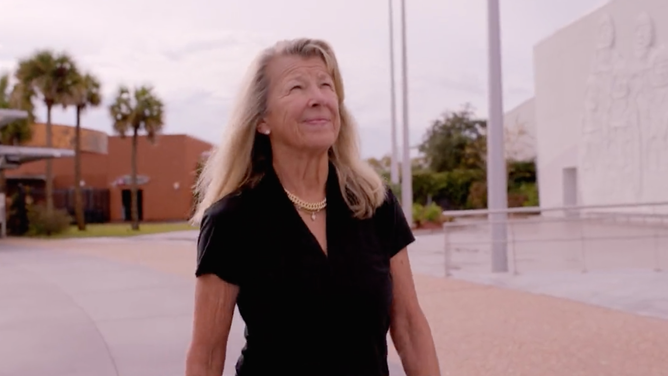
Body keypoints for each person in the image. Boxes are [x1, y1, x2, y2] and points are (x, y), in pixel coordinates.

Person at [186, 38, 440, 376]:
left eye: (326, 85)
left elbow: (408, 324)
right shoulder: (232, 220)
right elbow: (207, 354)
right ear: (262, 119)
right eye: (296, 87)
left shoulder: (373, 202)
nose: (318, 98)